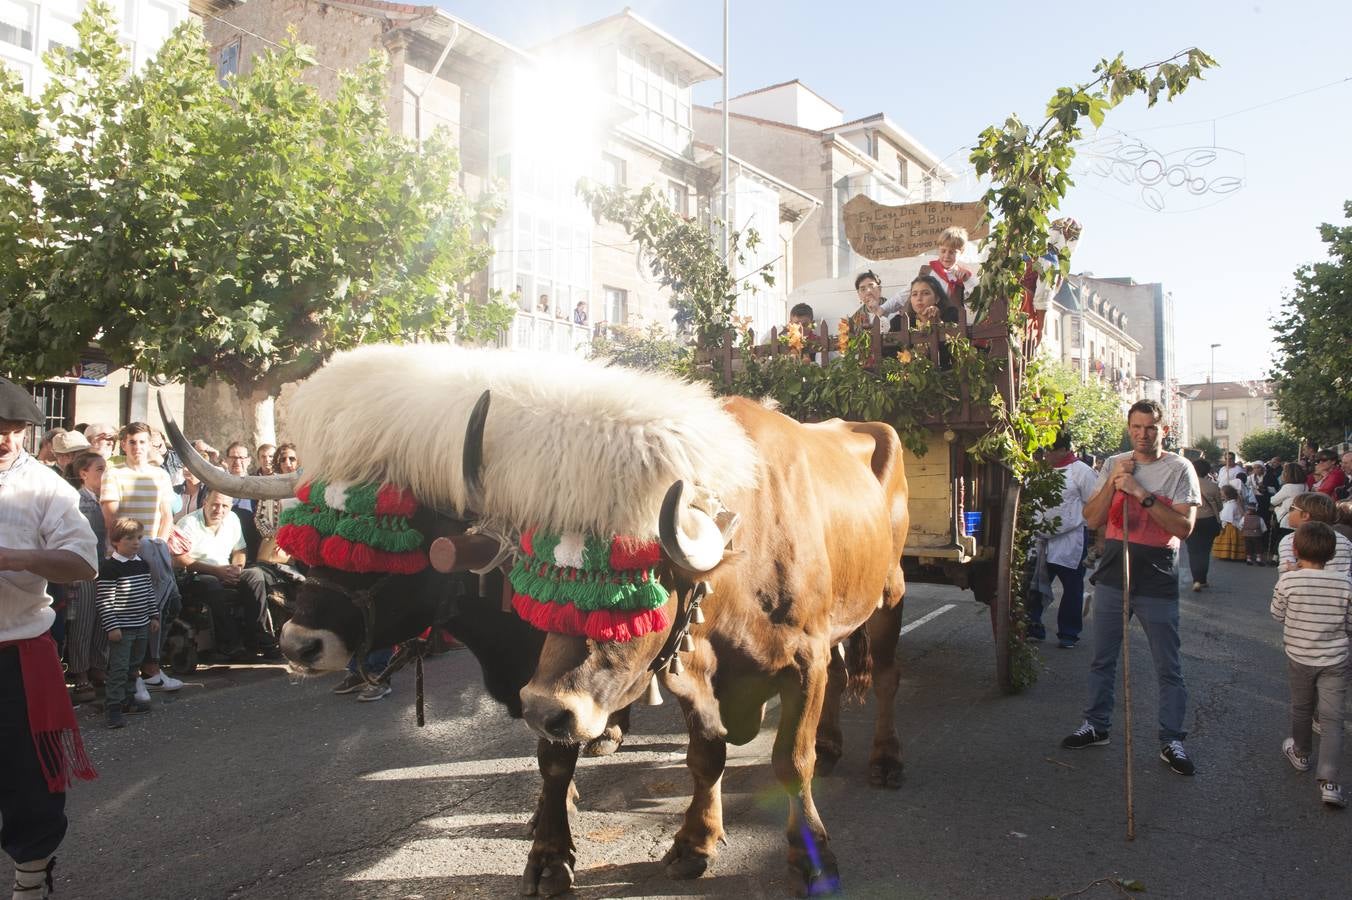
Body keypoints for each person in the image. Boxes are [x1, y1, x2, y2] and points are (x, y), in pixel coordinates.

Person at [1060, 399, 1200, 777]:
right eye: (1136, 427)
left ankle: (1171, 739)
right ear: (1129, 427)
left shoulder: (1179, 469)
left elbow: (1183, 528)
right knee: (1102, 658)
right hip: (1112, 575)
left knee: (1167, 666)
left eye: (1151, 427)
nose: (1143, 435)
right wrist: (1113, 482)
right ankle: (1096, 725)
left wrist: (1140, 492)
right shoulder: (1114, 463)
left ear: (1163, 429)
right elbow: (1091, 518)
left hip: (1156, 578)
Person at [0, 378, 99, 898]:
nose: (4, 439)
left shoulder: (46, 487)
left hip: (16, 654)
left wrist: (9, 557)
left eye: (14, 430)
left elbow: (84, 563)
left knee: (29, 779)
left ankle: (31, 880)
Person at [1271, 521, 1352, 808]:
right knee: (1332, 719)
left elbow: (1277, 613)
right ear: (1331, 553)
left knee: (1302, 707)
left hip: (1299, 655)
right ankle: (1330, 781)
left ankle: (1302, 752)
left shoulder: (1289, 580)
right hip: (1336, 658)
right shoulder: (1345, 582)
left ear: (1294, 548)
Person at [1026, 433, 1098, 648]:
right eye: (1044, 450)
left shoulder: (1082, 472)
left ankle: (1068, 633)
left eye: (1050, 450)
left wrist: (1097, 539)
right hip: (1040, 539)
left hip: (1070, 539)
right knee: (1035, 585)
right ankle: (1034, 627)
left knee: (1072, 588)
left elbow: (1093, 505)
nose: (1046, 455)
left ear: (1064, 449)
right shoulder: (1038, 471)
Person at [95, 519, 159, 728]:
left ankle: (127, 699)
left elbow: (148, 592)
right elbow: (105, 600)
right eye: (129, 538)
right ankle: (113, 707)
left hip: (141, 625)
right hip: (122, 628)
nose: (135, 543)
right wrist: (112, 627)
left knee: (133, 666)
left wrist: (153, 615)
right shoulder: (110, 568)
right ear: (115, 541)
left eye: (138, 538)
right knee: (119, 668)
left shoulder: (141, 564)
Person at [173, 490, 251, 661]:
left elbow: (240, 550)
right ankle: (230, 644)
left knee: (255, 578)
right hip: (195, 574)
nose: (219, 510)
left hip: (226, 570)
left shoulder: (232, 520)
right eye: (215, 504)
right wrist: (217, 571)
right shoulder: (188, 523)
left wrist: (237, 568)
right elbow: (178, 559)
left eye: (224, 506)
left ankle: (258, 638)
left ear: (230, 507)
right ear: (205, 503)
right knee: (211, 584)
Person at [63, 452, 109, 706]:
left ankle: (97, 667)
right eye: (99, 469)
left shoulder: (103, 499)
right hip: (83, 570)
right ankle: (80, 674)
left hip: (102, 567)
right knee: (82, 622)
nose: (104, 474)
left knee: (102, 619)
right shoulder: (79, 501)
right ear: (83, 473)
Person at [100, 422, 174, 542]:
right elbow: (111, 518)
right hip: (122, 550)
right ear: (124, 445)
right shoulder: (112, 474)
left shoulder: (162, 475)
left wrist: (160, 545)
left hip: (153, 549)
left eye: (142, 442)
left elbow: (166, 517)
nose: (137, 447)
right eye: (132, 442)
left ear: (150, 445)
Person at [1276, 493, 1352, 582]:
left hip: (1302, 591)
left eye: (1292, 508)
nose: (1289, 511)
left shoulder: (1290, 540)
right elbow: (1346, 573)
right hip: (1339, 592)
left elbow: (1285, 574)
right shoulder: (1345, 541)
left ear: (1305, 515)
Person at [1185, 458, 1224, 592]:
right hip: (1209, 520)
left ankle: (1196, 579)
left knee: (1193, 551)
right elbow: (1219, 506)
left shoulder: (1186, 485)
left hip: (1191, 520)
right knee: (1205, 551)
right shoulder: (1212, 486)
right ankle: (1202, 579)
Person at [222, 443, 261, 562]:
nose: (237, 461)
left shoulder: (258, 486)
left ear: (248, 460)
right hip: (223, 548)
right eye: (233, 457)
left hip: (251, 547)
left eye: (241, 458)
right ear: (227, 460)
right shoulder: (218, 485)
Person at [925, 226, 975, 302]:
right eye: (943, 251)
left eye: (951, 252)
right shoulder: (928, 272)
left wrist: (967, 281)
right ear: (938, 249)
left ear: (961, 252)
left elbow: (976, 298)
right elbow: (905, 294)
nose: (946, 256)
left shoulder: (963, 276)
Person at [1211, 484, 1246, 562]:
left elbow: (1226, 517)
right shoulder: (1230, 503)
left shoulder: (1231, 504)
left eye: (1222, 494)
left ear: (1227, 495)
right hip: (1230, 524)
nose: (1221, 495)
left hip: (1230, 526)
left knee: (1228, 540)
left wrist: (1221, 523)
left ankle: (1228, 554)